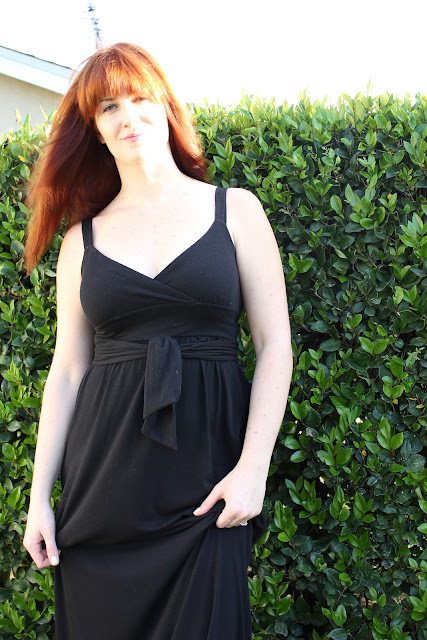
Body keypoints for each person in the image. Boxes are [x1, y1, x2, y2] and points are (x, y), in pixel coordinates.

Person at [22, 42, 293, 640]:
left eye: (140, 98)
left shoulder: (236, 212)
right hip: (104, 491)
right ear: (95, 130)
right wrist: (39, 498)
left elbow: (275, 343)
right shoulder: (81, 241)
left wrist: (253, 469)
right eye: (109, 107)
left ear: (166, 106)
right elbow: (67, 372)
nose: (128, 117)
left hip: (208, 485)